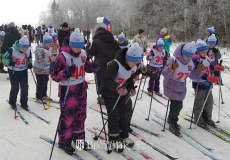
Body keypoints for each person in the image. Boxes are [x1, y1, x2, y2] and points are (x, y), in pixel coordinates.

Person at [52, 28, 100, 154]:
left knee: (80, 115)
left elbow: (86, 66)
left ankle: (78, 139)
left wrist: (93, 67)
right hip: (68, 90)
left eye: (80, 46)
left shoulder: (83, 53)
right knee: (68, 117)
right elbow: (55, 75)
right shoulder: (63, 56)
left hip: (81, 89)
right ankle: (65, 141)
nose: (78, 49)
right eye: (76, 47)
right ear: (71, 44)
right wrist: (67, 72)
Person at [101, 43, 143, 152]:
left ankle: (123, 135)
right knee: (114, 115)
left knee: (123, 114)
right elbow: (106, 80)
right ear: (127, 58)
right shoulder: (115, 64)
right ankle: (114, 139)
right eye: (133, 61)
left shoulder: (134, 65)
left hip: (122, 92)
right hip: (110, 92)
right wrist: (117, 87)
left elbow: (129, 79)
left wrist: (131, 88)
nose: (135, 64)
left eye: (137, 62)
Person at [162, 41, 196, 137]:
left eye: (190, 56)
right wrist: (171, 68)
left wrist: (199, 71)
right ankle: (172, 121)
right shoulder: (173, 59)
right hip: (171, 84)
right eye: (187, 56)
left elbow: (192, 75)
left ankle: (172, 119)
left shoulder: (190, 62)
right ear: (182, 53)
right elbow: (164, 73)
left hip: (182, 86)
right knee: (176, 105)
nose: (188, 58)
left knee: (179, 105)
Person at [86, 27, 120, 105]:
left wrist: (88, 47)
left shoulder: (96, 41)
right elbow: (118, 52)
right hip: (112, 64)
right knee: (111, 79)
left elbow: (92, 52)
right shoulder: (114, 41)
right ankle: (111, 96)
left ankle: (102, 97)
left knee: (100, 80)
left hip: (100, 64)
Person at [189, 39, 215, 129]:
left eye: (206, 51)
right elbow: (192, 73)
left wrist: (215, 68)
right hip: (199, 84)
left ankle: (207, 117)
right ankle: (198, 119)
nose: (205, 53)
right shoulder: (195, 59)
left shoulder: (207, 57)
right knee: (199, 102)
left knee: (209, 101)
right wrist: (202, 74)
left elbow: (209, 66)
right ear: (199, 51)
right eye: (203, 52)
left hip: (208, 83)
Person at [2, 36, 33, 110]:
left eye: (25, 48)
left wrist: (30, 63)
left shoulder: (28, 50)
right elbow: (3, 57)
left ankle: (24, 103)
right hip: (13, 71)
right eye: (22, 48)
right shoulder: (12, 50)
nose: (24, 49)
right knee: (15, 88)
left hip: (23, 71)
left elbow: (30, 58)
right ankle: (12, 102)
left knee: (25, 87)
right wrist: (9, 62)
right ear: (19, 45)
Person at [33, 33, 54, 103]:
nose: (50, 45)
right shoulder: (39, 49)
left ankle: (44, 94)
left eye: (51, 43)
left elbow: (52, 55)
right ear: (45, 43)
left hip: (46, 69)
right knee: (40, 83)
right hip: (39, 69)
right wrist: (49, 59)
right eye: (49, 43)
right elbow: (39, 60)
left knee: (46, 81)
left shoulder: (49, 48)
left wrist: (54, 58)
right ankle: (38, 97)